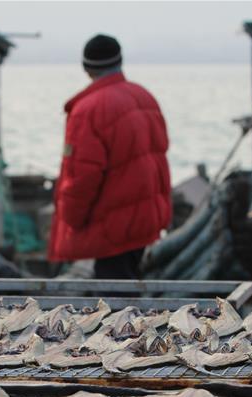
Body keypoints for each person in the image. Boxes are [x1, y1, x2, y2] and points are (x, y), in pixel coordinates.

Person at [47, 34, 171, 280]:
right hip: (144, 220)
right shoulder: (144, 97)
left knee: (115, 301)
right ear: (120, 61)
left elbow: (83, 175)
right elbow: (160, 152)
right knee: (130, 290)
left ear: (86, 67)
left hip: (112, 229)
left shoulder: (87, 110)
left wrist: (71, 220)